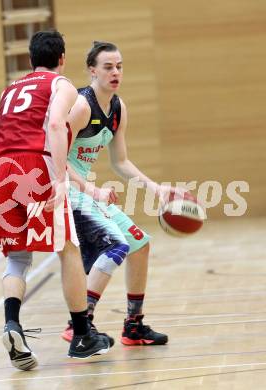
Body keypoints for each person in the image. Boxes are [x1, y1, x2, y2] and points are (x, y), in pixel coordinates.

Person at [0, 31, 111, 371]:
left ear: (30, 58)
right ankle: (82, 335)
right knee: (67, 247)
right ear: (62, 58)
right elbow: (54, 123)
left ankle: (12, 324)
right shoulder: (61, 84)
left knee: (17, 257)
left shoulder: (9, 90)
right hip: (32, 165)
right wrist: (60, 180)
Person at [61, 41, 181, 346]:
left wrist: (155, 188)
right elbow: (54, 157)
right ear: (92, 70)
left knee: (139, 244)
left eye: (119, 66)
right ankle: (79, 324)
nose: (115, 72)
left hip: (86, 191)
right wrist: (90, 189)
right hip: (63, 189)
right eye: (108, 67)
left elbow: (120, 162)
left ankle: (133, 325)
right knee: (116, 245)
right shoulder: (80, 105)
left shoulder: (117, 108)